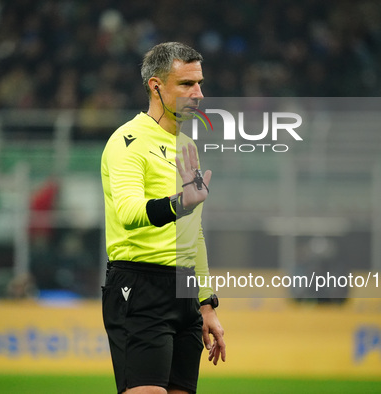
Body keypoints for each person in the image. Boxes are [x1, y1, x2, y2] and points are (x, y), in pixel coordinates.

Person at [101, 42, 226, 394]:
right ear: (156, 86)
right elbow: (128, 212)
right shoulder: (127, 141)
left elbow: (193, 233)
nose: (198, 94)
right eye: (186, 84)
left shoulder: (188, 146)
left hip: (184, 290)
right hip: (139, 287)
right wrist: (179, 203)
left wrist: (206, 304)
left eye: (200, 83)